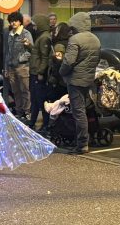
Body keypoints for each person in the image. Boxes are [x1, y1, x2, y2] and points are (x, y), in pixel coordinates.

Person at [58, 11, 100, 155]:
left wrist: (62, 72)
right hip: (89, 79)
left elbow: (68, 61)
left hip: (75, 80)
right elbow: (96, 59)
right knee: (86, 110)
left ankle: (82, 144)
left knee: (79, 112)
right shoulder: (95, 39)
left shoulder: (75, 39)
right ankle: (88, 139)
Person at [4, 12, 33, 121]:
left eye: (15, 20)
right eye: (11, 21)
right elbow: (8, 52)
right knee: (16, 91)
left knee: (25, 90)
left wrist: (21, 59)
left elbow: (31, 50)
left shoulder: (25, 33)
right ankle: (19, 111)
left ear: (20, 21)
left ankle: (27, 112)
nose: (13, 23)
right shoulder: (10, 34)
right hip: (11, 67)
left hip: (23, 66)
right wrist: (6, 68)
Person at [28, 15, 53, 130]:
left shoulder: (44, 38)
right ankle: (33, 122)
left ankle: (45, 124)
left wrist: (41, 72)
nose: (34, 27)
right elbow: (37, 53)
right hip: (35, 72)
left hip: (38, 74)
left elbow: (45, 57)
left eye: (35, 25)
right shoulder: (41, 37)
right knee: (35, 99)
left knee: (40, 100)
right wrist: (29, 47)